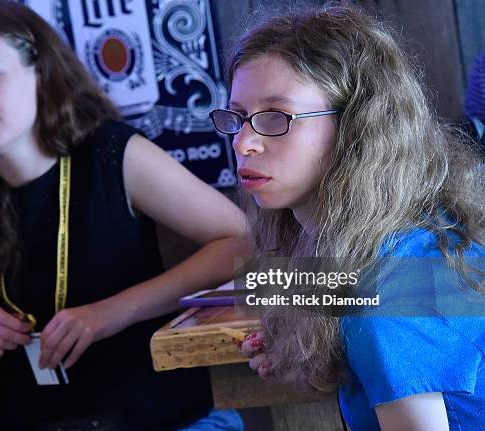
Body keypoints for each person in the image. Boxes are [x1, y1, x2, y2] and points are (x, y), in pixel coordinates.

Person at [0, 1, 251, 430]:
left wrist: (115, 311)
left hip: (167, 418)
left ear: (38, 71)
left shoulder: (111, 153)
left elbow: (240, 242)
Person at [207, 5, 485, 431]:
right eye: (238, 116)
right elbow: (310, 284)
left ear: (356, 127)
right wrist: (295, 325)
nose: (244, 142)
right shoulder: (406, 229)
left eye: (276, 118)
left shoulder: (388, 298)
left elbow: (384, 299)